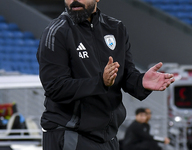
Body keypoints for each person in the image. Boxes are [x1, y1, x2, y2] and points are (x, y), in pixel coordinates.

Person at [36, 0, 175, 150]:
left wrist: (141, 82)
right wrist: (100, 82)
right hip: (70, 133)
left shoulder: (116, 28)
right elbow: (55, 87)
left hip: (108, 137)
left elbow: (126, 74)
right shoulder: (56, 32)